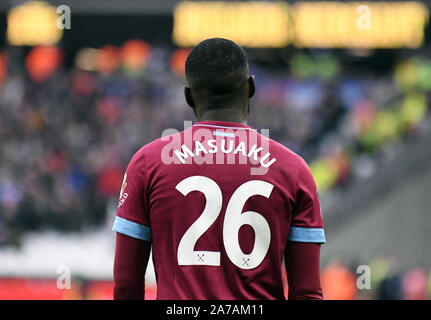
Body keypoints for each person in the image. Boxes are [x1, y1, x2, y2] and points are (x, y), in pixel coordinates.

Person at [112, 38, 325, 300]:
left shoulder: (147, 163)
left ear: (188, 96)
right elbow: (307, 293)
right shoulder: (294, 170)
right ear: (251, 87)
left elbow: (125, 284)